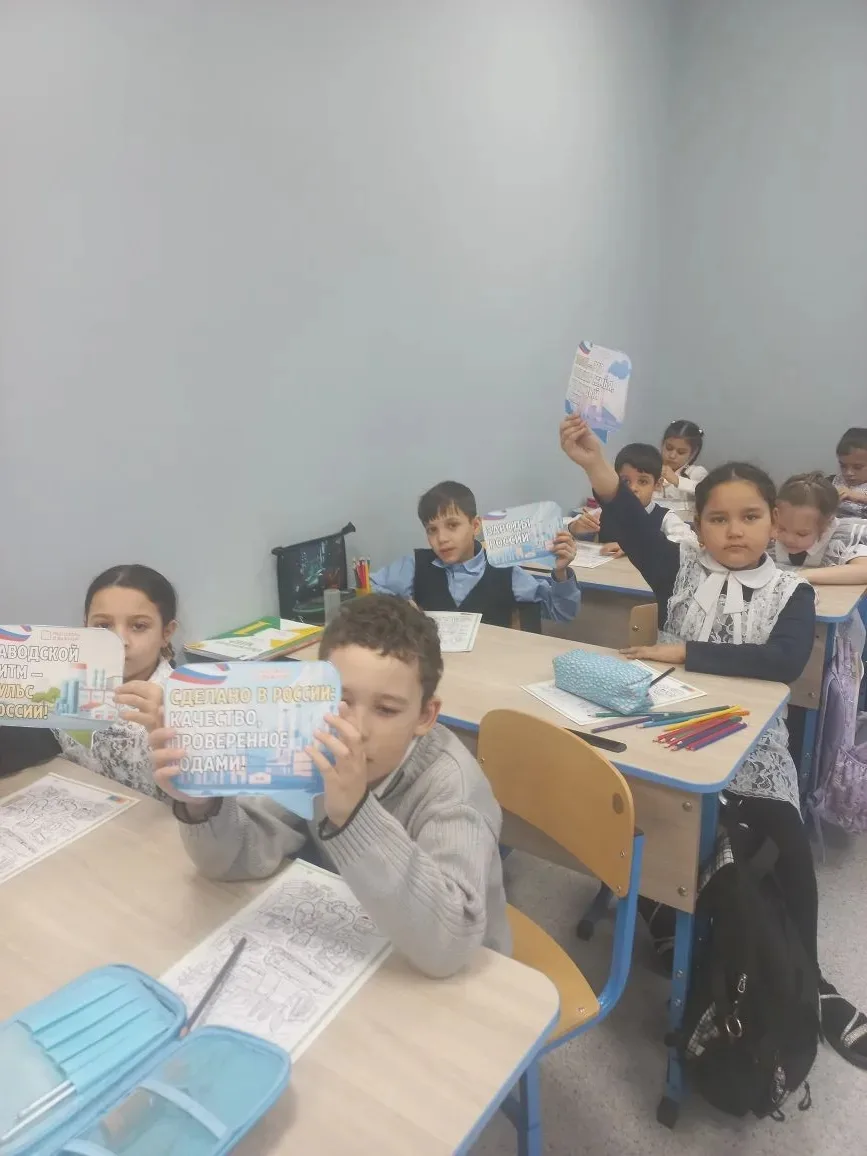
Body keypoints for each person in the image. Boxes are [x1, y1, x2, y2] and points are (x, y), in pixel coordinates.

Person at [559, 413, 867, 1068]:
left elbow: (782, 663)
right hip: (666, 734)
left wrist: (683, 652)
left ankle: (810, 980)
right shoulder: (679, 569)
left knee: (784, 846)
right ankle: (667, 918)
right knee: (647, 822)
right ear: (697, 526)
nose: (734, 530)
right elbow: (631, 522)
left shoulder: (789, 590)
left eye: (749, 517)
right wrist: (594, 465)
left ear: (772, 522)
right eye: (718, 519)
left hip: (752, 746)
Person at [149, 594, 510, 979]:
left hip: (460, 975)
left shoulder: (454, 787)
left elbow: (449, 946)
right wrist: (203, 806)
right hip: (357, 940)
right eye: (339, 700)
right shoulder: (312, 746)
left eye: (386, 710)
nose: (356, 729)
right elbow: (237, 858)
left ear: (425, 715)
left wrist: (355, 814)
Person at [370, 480, 579, 627]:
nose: (441, 538)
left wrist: (561, 573)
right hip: (430, 666)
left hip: (488, 668)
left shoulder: (505, 571)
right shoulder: (414, 566)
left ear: (475, 525)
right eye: (432, 530)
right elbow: (368, 590)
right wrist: (399, 607)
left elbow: (562, 613)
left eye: (452, 525)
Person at [57, 565, 177, 799]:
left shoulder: (184, 701)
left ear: (166, 632)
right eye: (103, 626)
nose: (119, 640)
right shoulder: (67, 681)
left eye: (139, 626)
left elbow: (210, 805)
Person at [568, 443, 695, 559]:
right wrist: (574, 528)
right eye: (625, 481)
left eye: (643, 481)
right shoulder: (605, 512)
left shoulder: (665, 518)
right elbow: (565, 527)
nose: (632, 488)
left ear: (657, 485)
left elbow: (689, 543)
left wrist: (633, 546)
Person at [774, 472, 867, 586]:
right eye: (782, 529)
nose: (789, 539)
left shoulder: (841, 538)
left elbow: (864, 570)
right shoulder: (769, 535)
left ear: (827, 525)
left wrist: (800, 575)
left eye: (801, 534)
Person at [655, 419, 707, 519]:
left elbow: (708, 492)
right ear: (662, 444)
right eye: (669, 448)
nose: (672, 455)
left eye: (681, 452)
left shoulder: (696, 472)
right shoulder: (651, 469)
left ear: (693, 453)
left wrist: (677, 480)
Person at [832, 427, 867, 519]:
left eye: (857, 467)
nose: (848, 473)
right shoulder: (837, 480)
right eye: (843, 466)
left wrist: (861, 497)